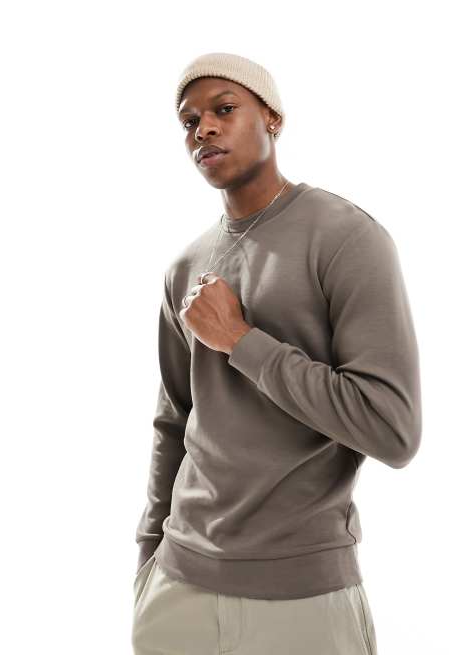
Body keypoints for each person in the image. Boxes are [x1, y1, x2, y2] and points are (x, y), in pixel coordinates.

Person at [131, 52, 422, 655]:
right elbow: (173, 423)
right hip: (177, 592)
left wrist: (241, 341)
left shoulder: (346, 238)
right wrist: (148, 560)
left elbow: (392, 430)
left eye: (224, 109)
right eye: (189, 121)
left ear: (273, 119)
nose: (204, 129)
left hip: (304, 600)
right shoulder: (184, 267)